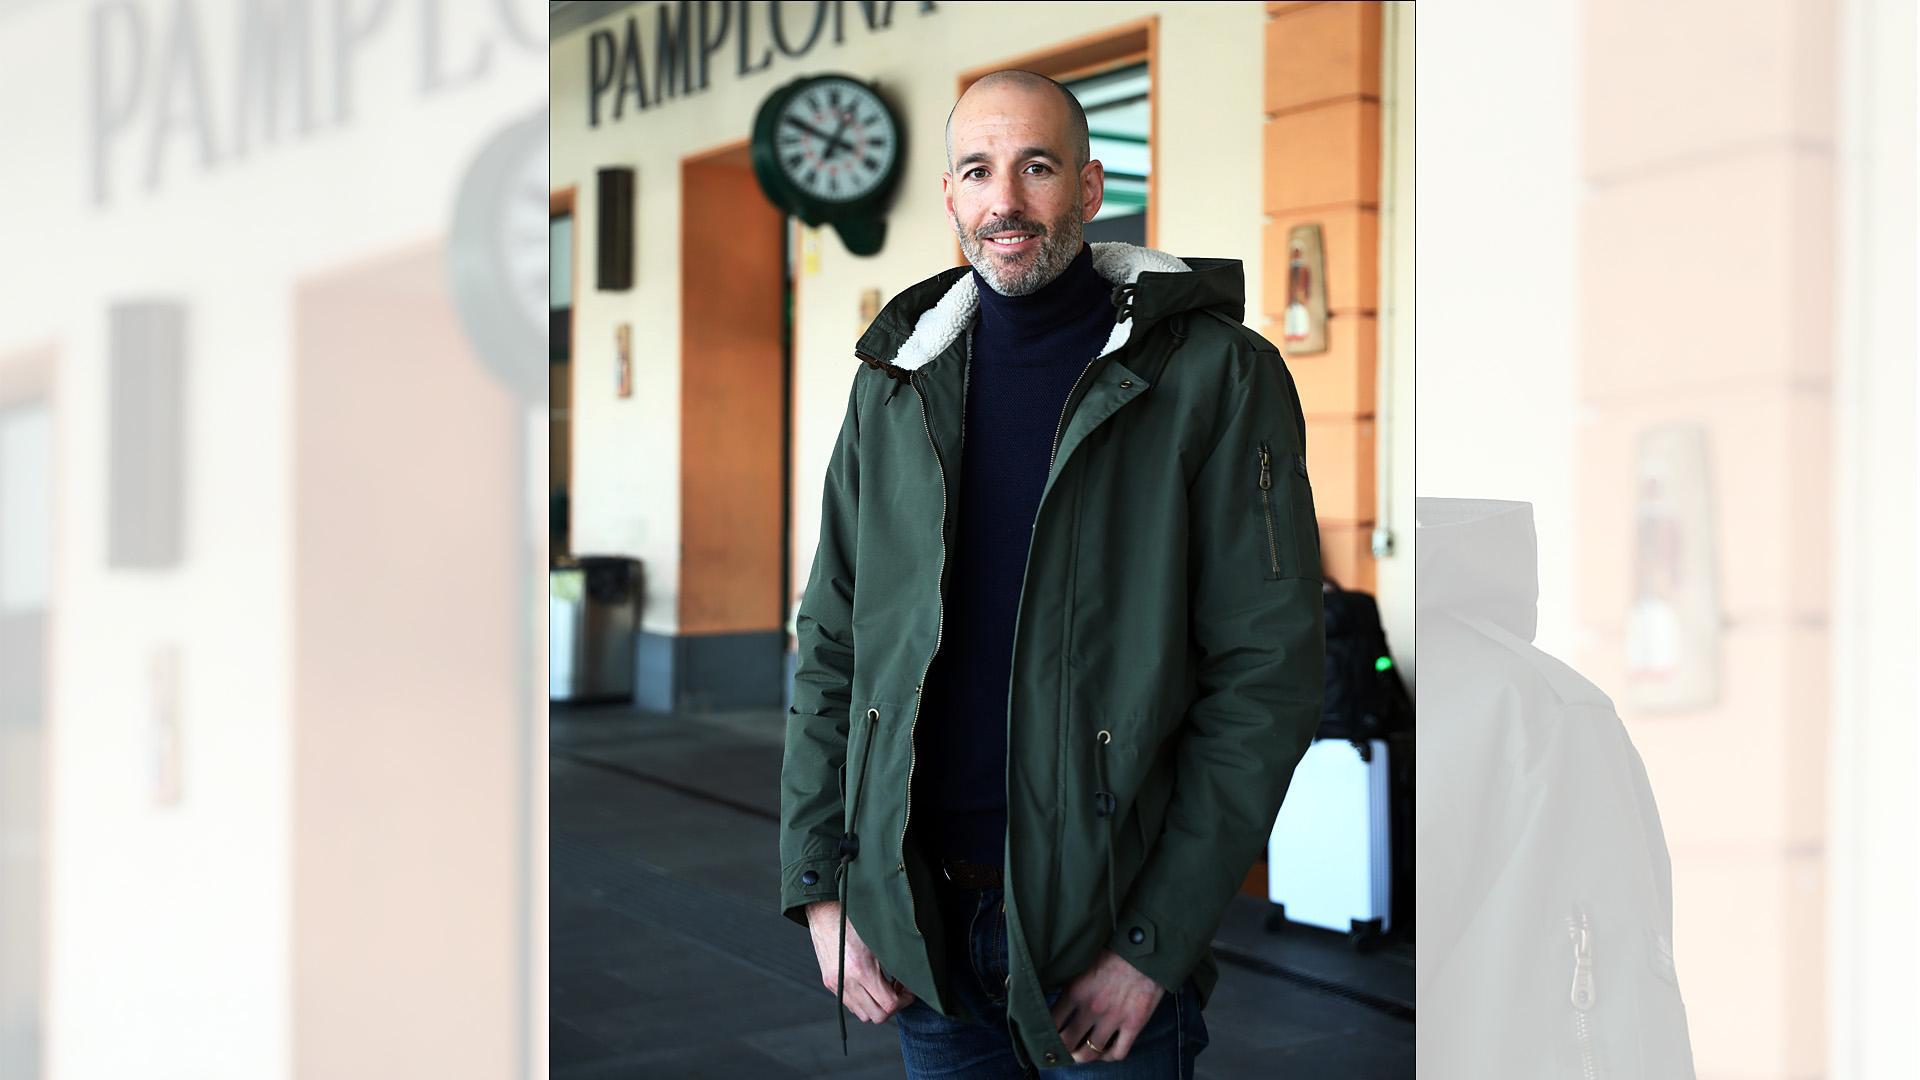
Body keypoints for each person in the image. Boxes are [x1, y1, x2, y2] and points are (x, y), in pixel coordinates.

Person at [778, 69, 1325, 1078]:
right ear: (950, 197)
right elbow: (834, 644)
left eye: (1036, 166)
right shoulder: (894, 384)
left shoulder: (1212, 376)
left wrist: (1155, 941)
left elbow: (1268, 672)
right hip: (924, 935)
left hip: (1109, 937)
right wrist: (826, 887)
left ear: (1089, 186)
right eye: (979, 171)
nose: (1006, 201)